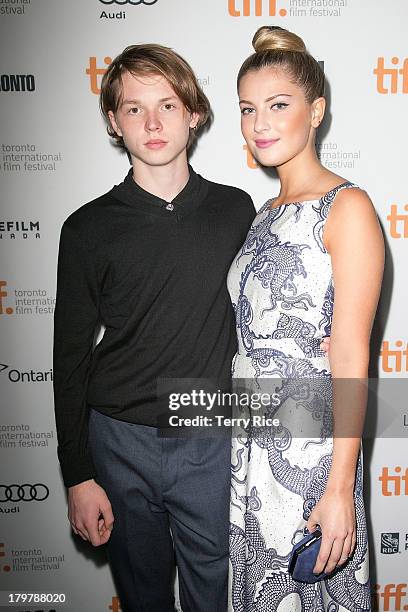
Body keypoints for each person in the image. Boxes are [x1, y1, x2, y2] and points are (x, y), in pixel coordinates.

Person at [52, 44, 257, 612]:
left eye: (167, 104)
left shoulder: (237, 211)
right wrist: (78, 474)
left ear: (194, 112)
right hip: (118, 441)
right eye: (134, 108)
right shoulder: (87, 228)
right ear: (114, 122)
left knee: (215, 595)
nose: (153, 122)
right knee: (142, 598)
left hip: (209, 440)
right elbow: (68, 358)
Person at [227, 26, 384, 611]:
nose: (259, 123)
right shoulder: (262, 213)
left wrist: (340, 484)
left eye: (278, 105)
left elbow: (348, 355)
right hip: (250, 446)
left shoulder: (347, 208)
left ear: (315, 112)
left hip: (312, 452)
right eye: (248, 109)